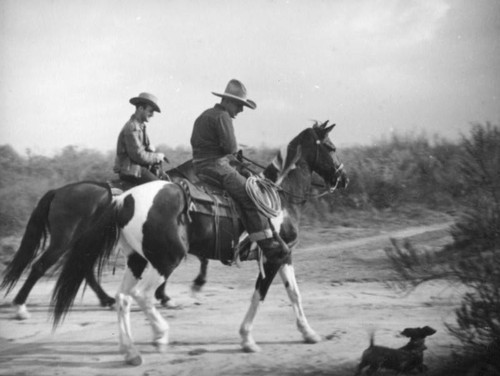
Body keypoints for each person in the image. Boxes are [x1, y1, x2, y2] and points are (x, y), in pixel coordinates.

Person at [190, 79, 289, 262]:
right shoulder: (223, 117)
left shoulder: (204, 115)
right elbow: (230, 148)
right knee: (251, 194)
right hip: (217, 167)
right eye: (239, 105)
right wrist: (237, 151)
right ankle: (265, 244)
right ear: (227, 102)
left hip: (199, 167)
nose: (241, 110)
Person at [113, 92, 166, 185]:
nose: (152, 115)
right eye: (150, 111)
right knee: (161, 187)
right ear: (141, 108)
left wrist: (150, 149)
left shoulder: (141, 126)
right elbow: (139, 156)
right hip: (132, 170)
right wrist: (156, 157)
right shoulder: (132, 127)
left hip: (138, 168)